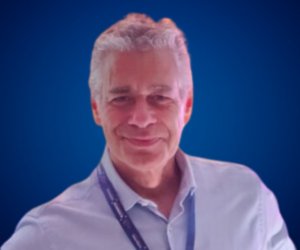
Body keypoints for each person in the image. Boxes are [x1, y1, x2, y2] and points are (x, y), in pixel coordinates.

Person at [1, 13, 296, 250]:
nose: (141, 119)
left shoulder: (247, 197)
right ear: (95, 108)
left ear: (188, 105)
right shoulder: (47, 235)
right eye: (121, 98)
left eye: (160, 97)